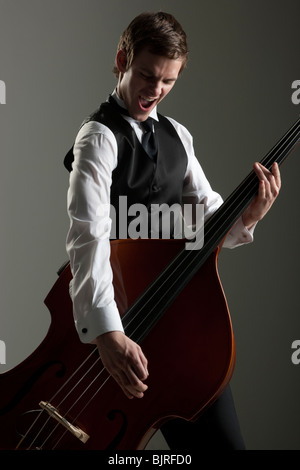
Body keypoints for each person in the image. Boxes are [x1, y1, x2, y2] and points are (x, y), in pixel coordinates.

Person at [65, 11, 281, 450]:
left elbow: (207, 217)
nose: (155, 91)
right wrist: (108, 334)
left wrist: (250, 215)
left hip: (174, 320)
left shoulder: (178, 136)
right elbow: (88, 236)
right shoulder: (98, 138)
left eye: (168, 82)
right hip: (122, 315)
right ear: (122, 58)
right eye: (147, 75)